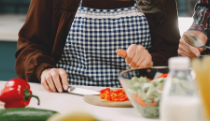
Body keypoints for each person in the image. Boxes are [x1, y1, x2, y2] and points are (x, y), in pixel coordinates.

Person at [15, 0, 180, 92]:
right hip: (68, 96)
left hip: (135, 101)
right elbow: (29, 45)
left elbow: (171, 52)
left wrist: (151, 62)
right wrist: (44, 70)